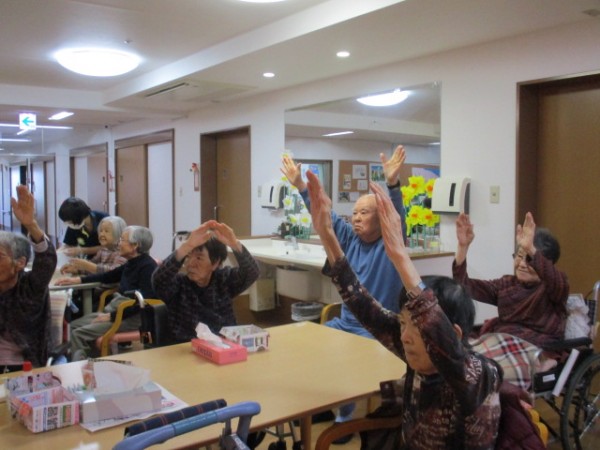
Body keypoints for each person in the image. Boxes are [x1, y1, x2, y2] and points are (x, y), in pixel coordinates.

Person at [305, 171, 502, 448]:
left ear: (453, 336)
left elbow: (431, 319)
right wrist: (327, 234)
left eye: (416, 327)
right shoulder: (418, 358)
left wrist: (399, 256)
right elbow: (362, 303)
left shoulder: (478, 375)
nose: (405, 336)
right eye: (402, 324)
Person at [281, 145, 408, 429]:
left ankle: (344, 418)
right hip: (345, 324)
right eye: (354, 213)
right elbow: (325, 217)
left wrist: (392, 185)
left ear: (382, 217)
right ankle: (323, 404)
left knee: (344, 359)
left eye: (364, 213)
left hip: (375, 330)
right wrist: (301, 186)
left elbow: (397, 218)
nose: (356, 218)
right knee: (308, 347)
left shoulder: (391, 246)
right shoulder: (350, 240)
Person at [452, 212, 569, 354]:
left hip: (536, 349)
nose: (522, 264)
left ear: (546, 263)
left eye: (530, 259)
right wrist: (462, 247)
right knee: (457, 347)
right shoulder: (507, 284)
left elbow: (557, 280)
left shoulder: (553, 288)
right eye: (519, 256)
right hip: (503, 341)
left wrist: (530, 249)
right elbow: (464, 286)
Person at [55, 225, 157, 360]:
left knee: (78, 334)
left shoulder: (148, 266)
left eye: (122, 240)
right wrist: (77, 279)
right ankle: (92, 361)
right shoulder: (131, 262)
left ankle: (83, 366)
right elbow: (107, 276)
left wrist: (111, 316)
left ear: (134, 246)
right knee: (72, 327)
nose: (119, 244)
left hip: (132, 316)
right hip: (117, 311)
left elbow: (144, 301)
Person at [152, 220, 260, 343]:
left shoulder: (223, 280)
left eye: (199, 257)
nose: (190, 264)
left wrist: (235, 244)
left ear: (215, 263)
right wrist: (186, 246)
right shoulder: (179, 285)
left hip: (224, 347)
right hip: (188, 348)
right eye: (188, 256)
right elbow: (158, 280)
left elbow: (252, 272)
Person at [0, 185, 57, 371]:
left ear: (20, 263)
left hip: (24, 368)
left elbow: (46, 260)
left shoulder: (30, 288)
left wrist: (31, 224)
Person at [60, 215, 127, 276]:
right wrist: (76, 269)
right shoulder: (103, 250)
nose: (102, 234)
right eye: (101, 231)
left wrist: (88, 265)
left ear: (119, 233)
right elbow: (92, 265)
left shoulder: (123, 252)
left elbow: (114, 272)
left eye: (106, 231)